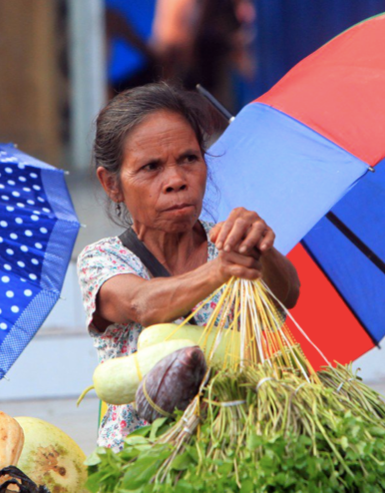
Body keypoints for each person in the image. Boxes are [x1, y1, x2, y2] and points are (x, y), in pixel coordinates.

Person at [77, 82, 299, 451]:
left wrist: (263, 251)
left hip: (237, 452)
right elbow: (142, 304)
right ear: (111, 184)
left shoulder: (229, 243)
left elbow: (287, 295)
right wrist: (221, 270)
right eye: (151, 167)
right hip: (141, 460)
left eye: (189, 159)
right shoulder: (103, 259)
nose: (177, 181)